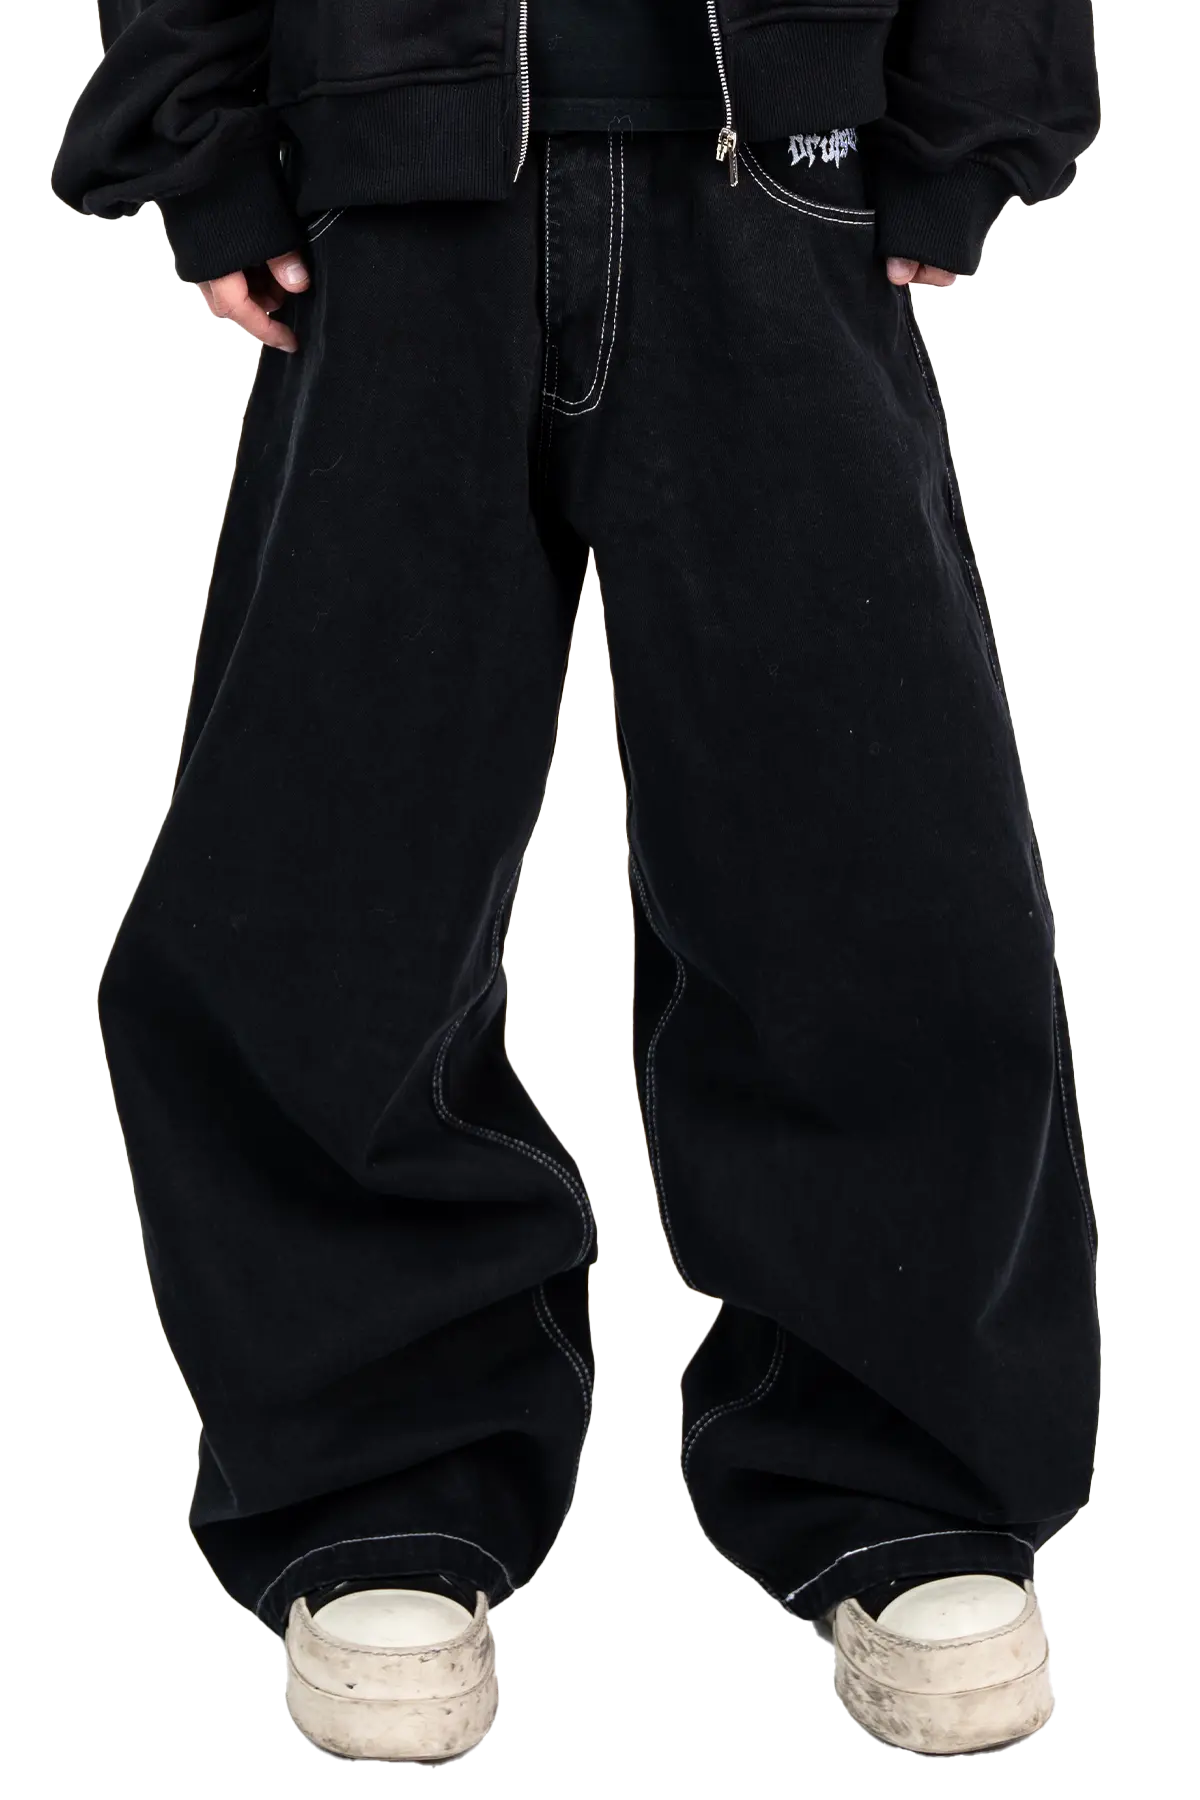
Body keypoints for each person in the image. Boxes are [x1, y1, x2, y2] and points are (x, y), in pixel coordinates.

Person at [53, 0, 1102, 1763]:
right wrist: (201, 135)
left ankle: (902, 1479)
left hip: (782, 180)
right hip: (387, 185)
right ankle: (379, 1474)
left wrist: (979, 106)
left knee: (872, 855)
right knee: (321, 863)